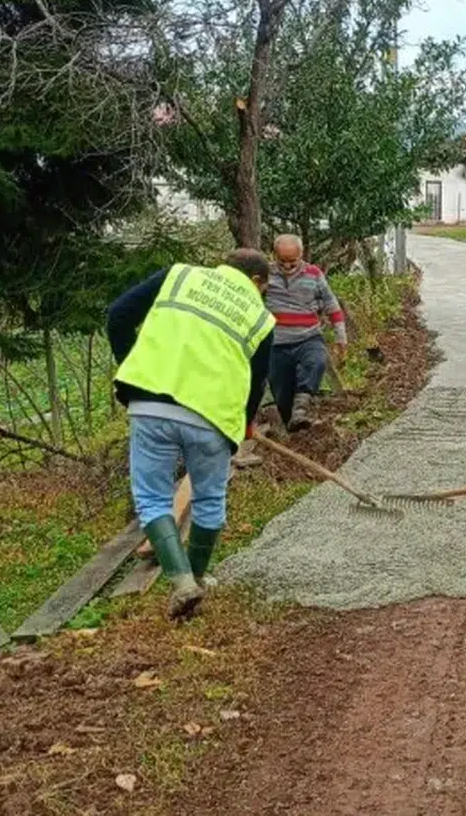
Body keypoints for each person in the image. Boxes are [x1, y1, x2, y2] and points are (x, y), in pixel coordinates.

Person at [107, 250, 274, 620]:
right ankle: (195, 578)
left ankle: (181, 583)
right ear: (258, 282)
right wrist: (245, 423)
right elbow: (257, 380)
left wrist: (135, 369)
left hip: (150, 404)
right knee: (210, 498)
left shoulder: (178, 275)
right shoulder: (261, 316)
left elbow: (117, 315)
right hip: (212, 417)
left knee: (152, 497)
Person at [265, 234, 347, 430]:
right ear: (274, 255)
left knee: (316, 362)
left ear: (301, 255)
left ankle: (303, 405)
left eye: (292, 261)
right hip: (276, 342)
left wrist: (340, 336)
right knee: (281, 392)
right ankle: (291, 426)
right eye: (282, 261)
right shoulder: (265, 274)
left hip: (308, 336)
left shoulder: (314, 274)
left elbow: (331, 304)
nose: (287, 266)